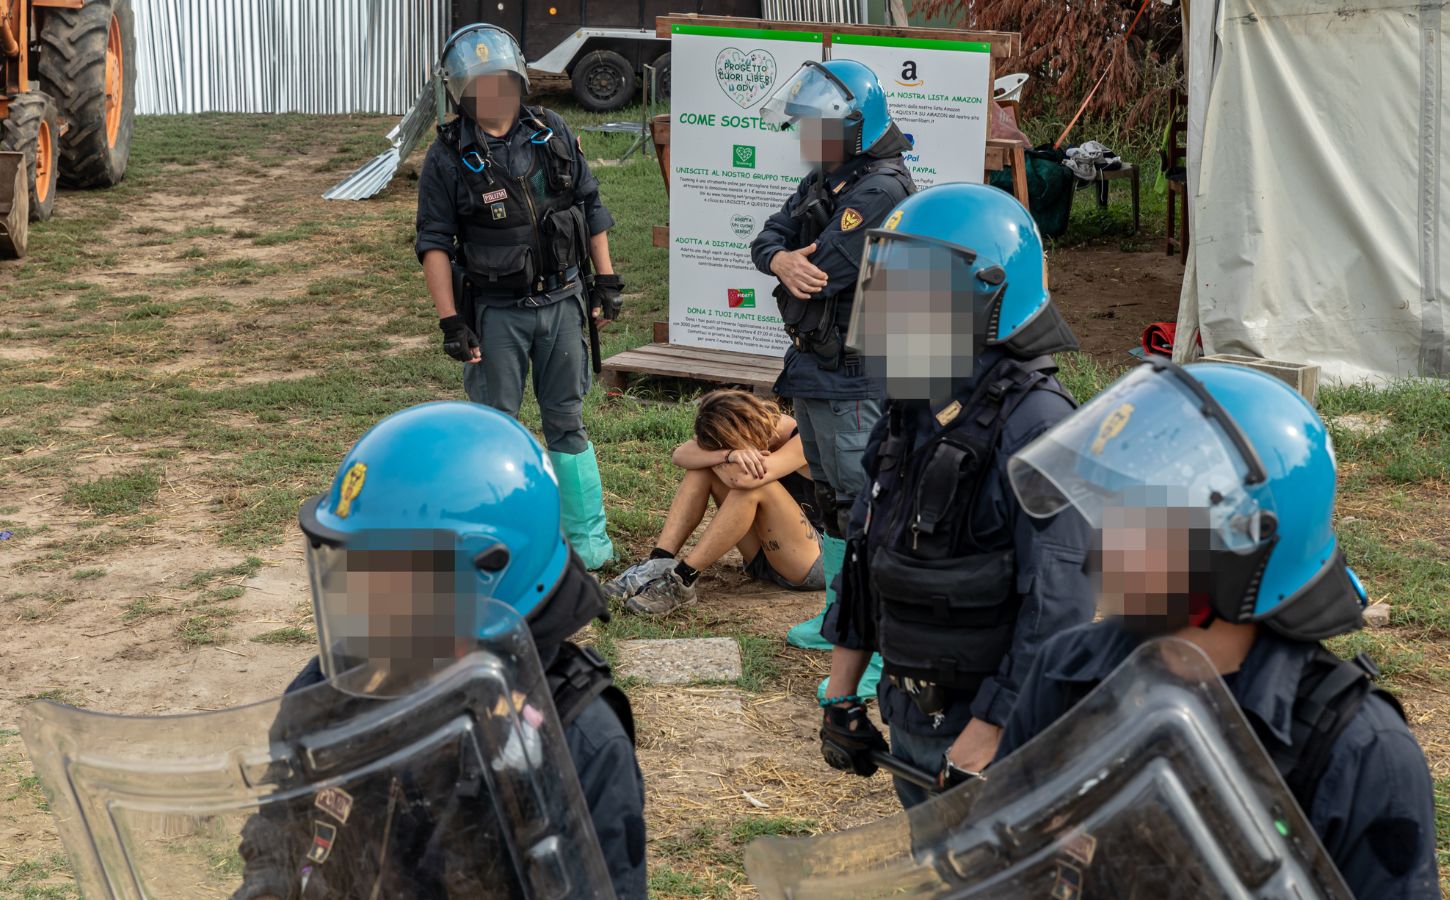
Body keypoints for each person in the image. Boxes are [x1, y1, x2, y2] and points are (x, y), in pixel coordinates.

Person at [993, 358, 1441, 899]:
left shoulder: (1360, 750)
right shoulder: (1066, 674)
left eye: (1137, 527)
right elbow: (1001, 865)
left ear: (1239, 549)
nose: (1100, 554)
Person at [238, 402, 647, 898]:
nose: (364, 599)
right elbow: (281, 831)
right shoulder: (335, 687)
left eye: (387, 575)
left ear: (485, 573)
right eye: (354, 570)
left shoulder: (573, 735)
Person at [814, 183, 1094, 810]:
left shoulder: (1040, 426)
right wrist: (841, 692)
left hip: (997, 740)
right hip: (913, 719)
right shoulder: (912, 404)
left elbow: (1058, 604)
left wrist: (989, 734)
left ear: (987, 297)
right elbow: (865, 555)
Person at [416, 23, 620, 570]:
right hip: (495, 313)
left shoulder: (552, 130)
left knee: (567, 421)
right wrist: (451, 322)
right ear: (461, 91)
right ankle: (498, 542)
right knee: (493, 429)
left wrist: (605, 280)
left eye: (501, 80)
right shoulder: (447, 156)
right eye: (479, 85)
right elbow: (434, 243)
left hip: (563, 303)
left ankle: (587, 541)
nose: (492, 94)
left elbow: (590, 206)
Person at [752, 59, 916, 653]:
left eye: (815, 127)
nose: (805, 140)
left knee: (861, 506)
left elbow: (826, 271)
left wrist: (795, 258)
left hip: (855, 375)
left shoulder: (880, 188)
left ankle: (871, 644)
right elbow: (767, 237)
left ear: (854, 126)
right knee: (830, 500)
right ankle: (837, 620)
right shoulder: (828, 178)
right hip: (816, 367)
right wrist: (779, 259)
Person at [604, 390, 826, 615]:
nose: (735, 452)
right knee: (700, 471)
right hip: (764, 557)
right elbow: (680, 454)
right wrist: (726, 455)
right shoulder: (751, 436)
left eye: (733, 445)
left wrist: (725, 457)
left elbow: (746, 478)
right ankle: (659, 561)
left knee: (754, 487)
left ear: (745, 429)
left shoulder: (803, 436)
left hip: (814, 562)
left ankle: (683, 578)